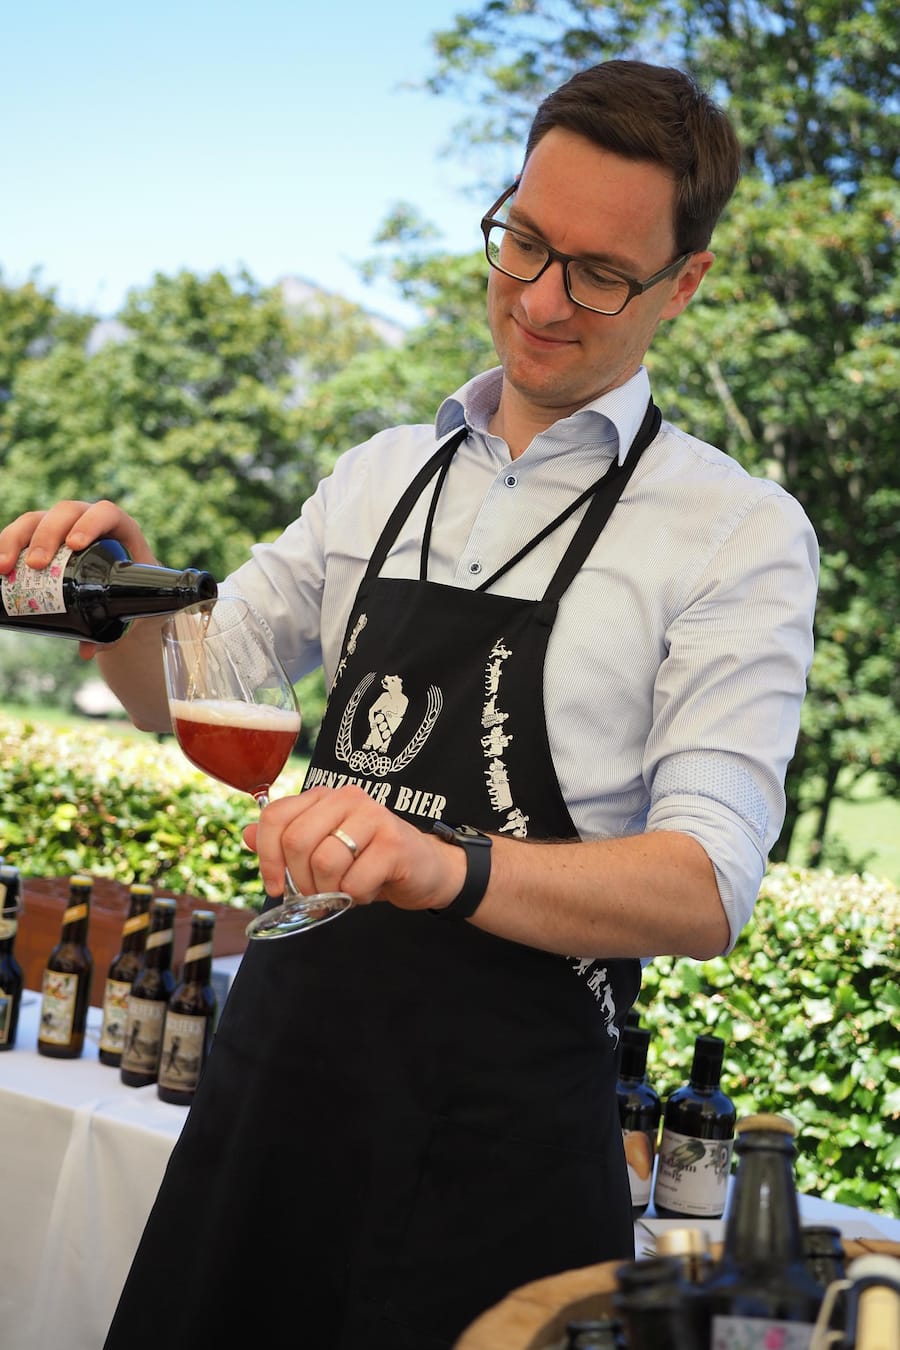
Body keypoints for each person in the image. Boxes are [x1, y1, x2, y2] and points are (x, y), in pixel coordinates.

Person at [0, 59, 818, 1350]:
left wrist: (443, 863)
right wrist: (122, 599)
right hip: (281, 1073)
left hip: (499, 1137)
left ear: (685, 283)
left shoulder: (738, 532)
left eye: (599, 274)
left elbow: (707, 886)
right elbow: (186, 693)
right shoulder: (382, 472)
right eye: (524, 242)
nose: (539, 300)